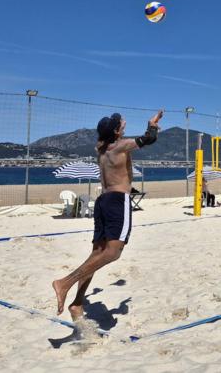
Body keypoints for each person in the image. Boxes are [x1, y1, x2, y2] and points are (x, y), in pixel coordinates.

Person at [52, 110, 164, 319]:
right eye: (119, 123)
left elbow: (118, 138)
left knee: (96, 255)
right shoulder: (121, 145)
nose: (123, 122)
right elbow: (149, 138)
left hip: (102, 201)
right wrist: (152, 125)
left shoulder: (101, 148)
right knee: (113, 253)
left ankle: (77, 303)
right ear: (115, 130)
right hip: (117, 200)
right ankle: (64, 283)